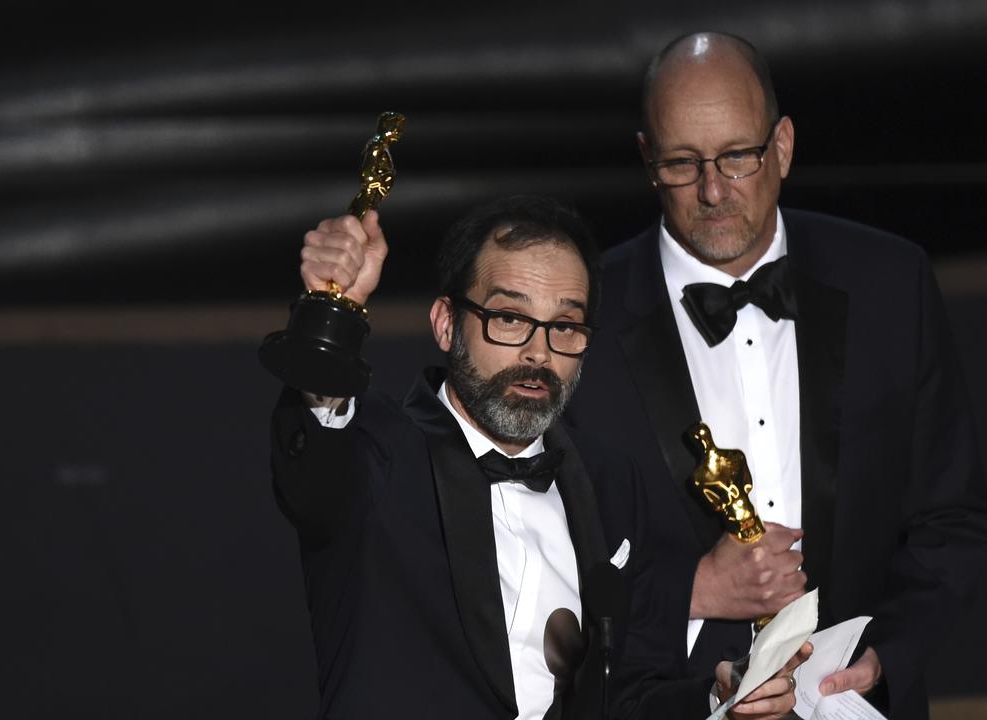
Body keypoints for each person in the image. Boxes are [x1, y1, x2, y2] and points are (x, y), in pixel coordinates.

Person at [565, 32, 987, 718]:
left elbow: (953, 519)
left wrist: (888, 654)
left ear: (784, 146)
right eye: (683, 162)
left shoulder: (890, 282)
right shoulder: (578, 314)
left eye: (737, 155)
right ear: (648, 160)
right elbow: (530, 557)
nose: (713, 190)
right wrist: (692, 590)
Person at [269, 195, 807, 719]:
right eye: (508, 318)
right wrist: (331, 311)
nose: (538, 352)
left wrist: (722, 701)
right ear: (445, 324)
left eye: (565, 327)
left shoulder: (611, 482)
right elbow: (315, 467)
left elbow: (628, 697)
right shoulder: (377, 451)